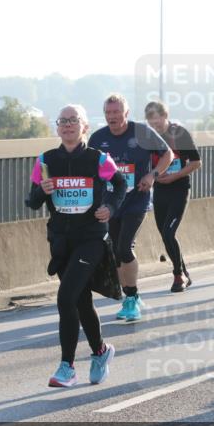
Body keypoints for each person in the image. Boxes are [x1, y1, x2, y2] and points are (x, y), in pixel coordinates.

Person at [26, 105, 126, 387]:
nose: (68, 125)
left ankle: (66, 367)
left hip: (91, 239)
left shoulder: (99, 159)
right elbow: (32, 203)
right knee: (80, 302)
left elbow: (120, 186)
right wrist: (40, 190)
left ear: (84, 127)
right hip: (61, 241)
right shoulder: (46, 161)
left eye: (74, 121)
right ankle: (101, 352)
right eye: (63, 121)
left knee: (65, 298)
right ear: (57, 128)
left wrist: (109, 207)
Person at [89, 94, 173, 322]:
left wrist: (152, 175)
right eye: (109, 113)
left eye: (117, 112)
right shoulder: (97, 138)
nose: (112, 117)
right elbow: (90, 169)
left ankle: (132, 297)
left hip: (137, 199)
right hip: (111, 202)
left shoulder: (141, 132)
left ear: (126, 113)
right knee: (116, 250)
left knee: (125, 247)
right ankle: (130, 295)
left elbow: (167, 153)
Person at [145, 101, 202, 292]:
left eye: (157, 119)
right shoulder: (148, 138)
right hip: (160, 191)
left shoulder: (179, 134)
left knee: (169, 232)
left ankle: (178, 275)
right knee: (165, 235)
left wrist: (174, 176)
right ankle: (184, 273)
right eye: (150, 121)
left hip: (179, 189)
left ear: (165, 115)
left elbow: (196, 163)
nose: (155, 124)